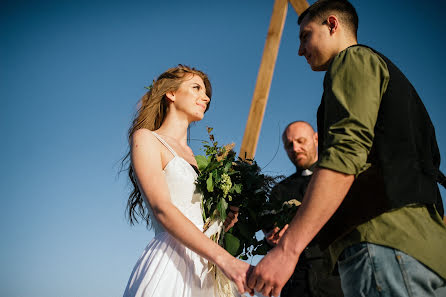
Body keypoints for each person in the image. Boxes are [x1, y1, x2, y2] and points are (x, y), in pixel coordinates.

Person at [247, 1, 446, 297]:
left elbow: (345, 153)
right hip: (423, 248)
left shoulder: (353, 60)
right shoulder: (392, 85)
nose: (300, 50)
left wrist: (288, 250)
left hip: (382, 246)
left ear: (331, 24)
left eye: (305, 36)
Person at [122, 65, 250, 297]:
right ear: (171, 94)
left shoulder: (200, 161)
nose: (206, 97)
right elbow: (162, 208)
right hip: (171, 264)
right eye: (196, 88)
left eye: (206, 92)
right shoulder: (147, 139)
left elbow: (196, 216)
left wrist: (220, 220)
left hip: (207, 269)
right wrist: (226, 260)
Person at [264, 121, 343, 297]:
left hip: (337, 278)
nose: (295, 148)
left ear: (316, 138)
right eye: (289, 145)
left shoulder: (338, 180)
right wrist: (273, 238)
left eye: (301, 141)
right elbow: (270, 230)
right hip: (294, 284)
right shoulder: (279, 190)